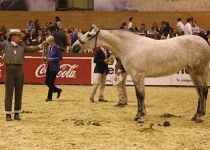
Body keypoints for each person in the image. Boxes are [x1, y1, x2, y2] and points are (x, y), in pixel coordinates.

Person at [0, 29, 44, 121]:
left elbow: (31, 49)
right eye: (19, 36)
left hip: (20, 70)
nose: (20, 37)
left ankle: (16, 113)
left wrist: (41, 45)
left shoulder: (22, 46)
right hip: (9, 69)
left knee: (19, 92)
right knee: (9, 92)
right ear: (13, 36)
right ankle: (8, 114)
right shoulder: (5, 44)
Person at [45, 35, 62, 102]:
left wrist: (52, 59)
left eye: (48, 41)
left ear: (52, 41)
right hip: (49, 66)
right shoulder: (49, 47)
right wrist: (45, 59)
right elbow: (48, 56)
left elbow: (60, 58)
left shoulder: (57, 48)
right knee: (46, 82)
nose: (48, 43)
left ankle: (49, 97)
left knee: (51, 83)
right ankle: (58, 90)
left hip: (55, 68)